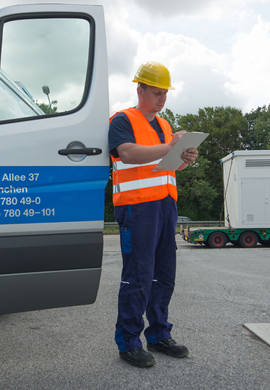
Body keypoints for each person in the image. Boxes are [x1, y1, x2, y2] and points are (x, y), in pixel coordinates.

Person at [108, 61, 198, 368]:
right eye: (156, 92)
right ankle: (129, 342)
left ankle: (159, 334)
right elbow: (127, 153)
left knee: (164, 276)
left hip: (165, 206)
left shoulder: (164, 125)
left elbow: (168, 167)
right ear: (140, 89)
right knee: (138, 276)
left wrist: (185, 157)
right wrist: (167, 147)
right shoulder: (122, 119)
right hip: (136, 208)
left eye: (165, 94)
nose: (161, 99)